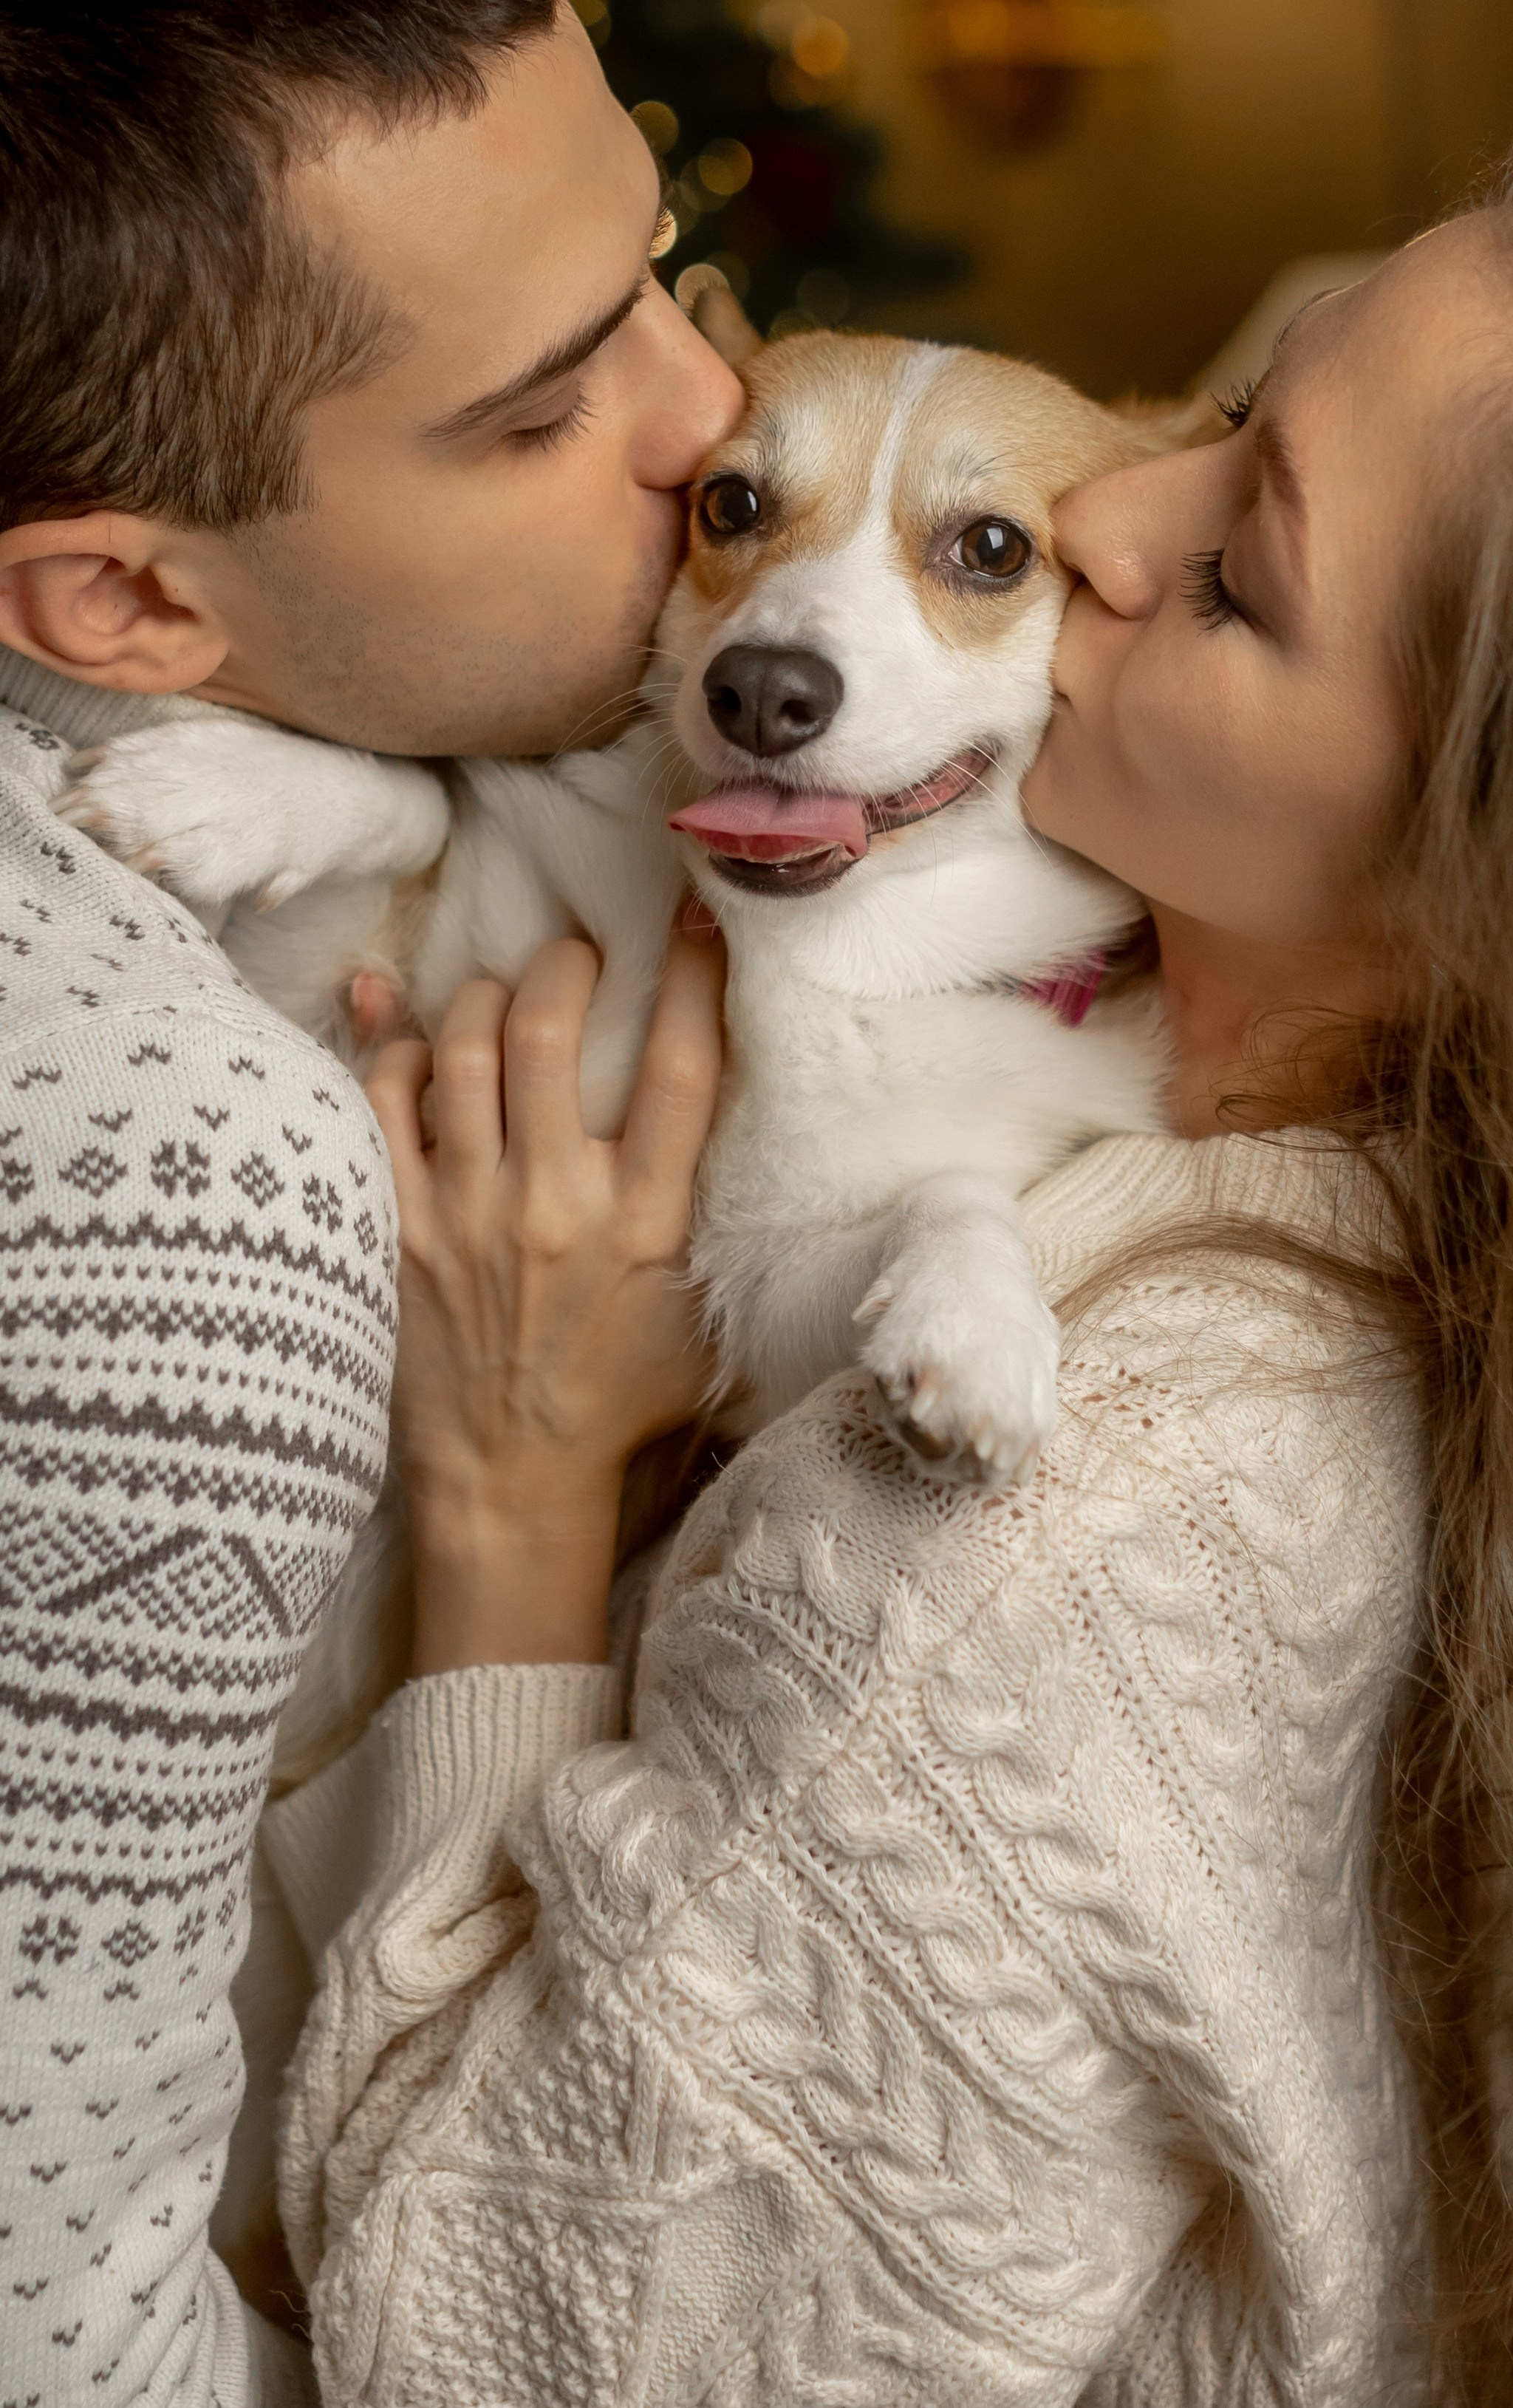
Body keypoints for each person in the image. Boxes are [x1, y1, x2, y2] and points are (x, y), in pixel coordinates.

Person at [258, 125, 1513, 2407]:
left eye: (1239, 570)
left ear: (1475, 871)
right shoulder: (1267, 1189)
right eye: (1232, 417)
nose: (1115, 518)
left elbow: (475, 2349)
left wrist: (513, 1488)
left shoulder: (1070, 1530)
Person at [0, 6, 739, 2404]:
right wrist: (516, 1502)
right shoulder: (175, 1194)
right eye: (538, 412)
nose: (714, 412)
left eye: (666, 269)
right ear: (123, 608)